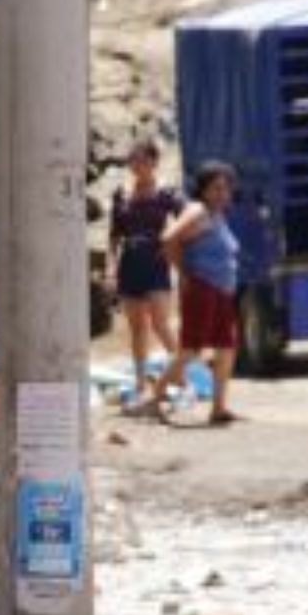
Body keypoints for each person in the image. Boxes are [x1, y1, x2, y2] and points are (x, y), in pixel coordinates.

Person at [160, 160, 244, 426]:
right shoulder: (198, 211)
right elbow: (168, 239)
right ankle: (156, 395)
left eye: (226, 189)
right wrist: (183, 273)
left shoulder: (217, 216)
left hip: (222, 291)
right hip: (203, 289)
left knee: (227, 348)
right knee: (192, 349)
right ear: (203, 190)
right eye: (216, 188)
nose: (222, 194)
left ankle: (218, 408)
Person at [106, 139, 184, 414]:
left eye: (140, 160)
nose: (135, 165)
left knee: (161, 323)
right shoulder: (121, 192)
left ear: (153, 162)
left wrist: (171, 243)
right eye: (132, 160)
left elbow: (184, 217)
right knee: (137, 328)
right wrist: (111, 268)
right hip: (130, 261)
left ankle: (181, 374)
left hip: (156, 260)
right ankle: (140, 382)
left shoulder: (165, 191)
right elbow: (114, 234)